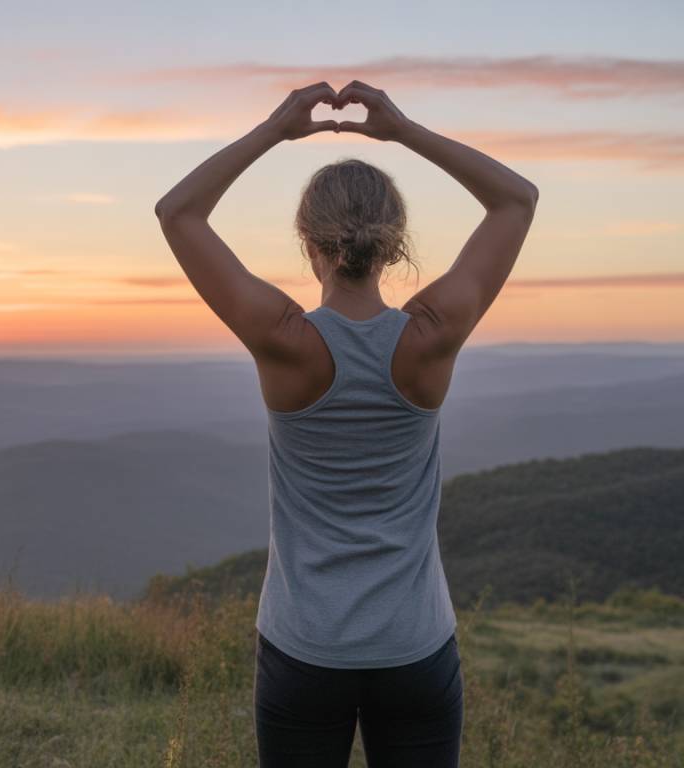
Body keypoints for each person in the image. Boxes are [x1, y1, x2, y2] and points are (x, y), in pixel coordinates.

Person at [155, 80, 538, 767]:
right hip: (415, 647)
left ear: (309, 243)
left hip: (304, 649)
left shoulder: (283, 339)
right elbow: (516, 199)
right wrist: (404, 130)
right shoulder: (430, 337)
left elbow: (178, 212)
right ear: (394, 247)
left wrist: (276, 128)